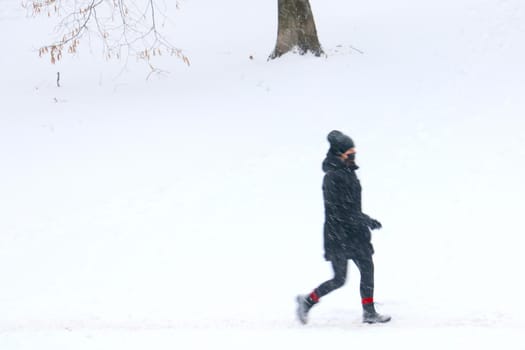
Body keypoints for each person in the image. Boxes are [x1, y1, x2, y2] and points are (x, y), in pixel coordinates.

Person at [296, 130, 391, 325]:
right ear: (339, 154)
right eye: (350, 152)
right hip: (338, 234)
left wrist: (363, 220)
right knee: (339, 279)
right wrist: (365, 220)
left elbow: (352, 208)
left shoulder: (349, 173)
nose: (353, 155)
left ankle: (369, 312)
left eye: (354, 151)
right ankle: (307, 301)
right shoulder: (332, 178)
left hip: (355, 232)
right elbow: (340, 211)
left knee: (367, 268)